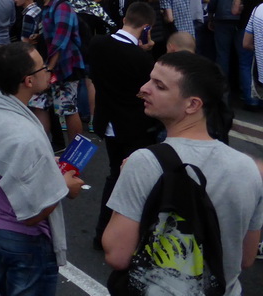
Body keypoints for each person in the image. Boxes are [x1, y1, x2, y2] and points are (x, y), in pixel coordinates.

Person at [103, 52, 263, 294]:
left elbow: (117, 254)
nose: (144, 88)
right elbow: (246, 258)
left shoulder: (145, 162)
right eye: (150, 80)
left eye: (159, 86)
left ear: (192, 104)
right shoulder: (248, 168)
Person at [0, 42, 84, 296]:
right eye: (44, 67)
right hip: (27, 240)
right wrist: (63, 187)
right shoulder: (27, 137)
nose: (50, 71)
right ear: (28, 81)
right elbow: (31, 213)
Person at [84, 1, 159, 250]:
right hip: (134, 125)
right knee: (134, 181)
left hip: (108, 121)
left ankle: (101, 232)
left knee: (115, 175)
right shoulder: (141, 59)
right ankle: (126, 235)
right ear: (146, 28)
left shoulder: (98, 44)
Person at [26, 0, 85, 146]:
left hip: (65, 66)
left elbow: (61, 39)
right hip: (50, 64)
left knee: (67, 108)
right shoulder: (48, 5)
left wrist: (49, 69)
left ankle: (74, 156)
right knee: (39, 103)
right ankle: (42, 147)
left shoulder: (61, 5)